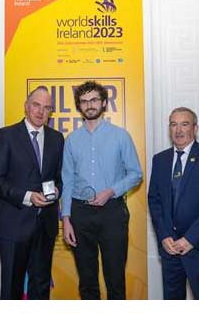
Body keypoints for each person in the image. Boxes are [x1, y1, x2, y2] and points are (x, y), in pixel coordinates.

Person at [61, 80, 143, 300]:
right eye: (84, 101)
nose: (89, 105)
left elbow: (136, 173)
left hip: (112, 212)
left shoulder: (121, 136)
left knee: (115, 278)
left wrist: (111, 191)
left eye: (94, 99)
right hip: (80, 214)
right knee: (87, 281)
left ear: (104, 102)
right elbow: (67, 181)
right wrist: (66, 218)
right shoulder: (71, 141)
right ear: (79, 106)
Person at [0, 86, 64, 300]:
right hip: (14, 224)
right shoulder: (7, 135)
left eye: (47, 108)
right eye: (36, 105)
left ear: (51, 112)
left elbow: (59, 178)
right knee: (12, 288)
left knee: (40, 287)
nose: (41, 111)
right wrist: (27, 196)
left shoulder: (57, 138)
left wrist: (57, 190)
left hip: (45, 226)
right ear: (26, 106)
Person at [147, 107, 199, 299]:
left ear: (195, 128)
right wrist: (164, 235)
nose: (178, 130)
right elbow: (154, 200)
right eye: (174, 124)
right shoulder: (160, 159)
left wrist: (190, 239)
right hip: (169, 248)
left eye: (184, 124)